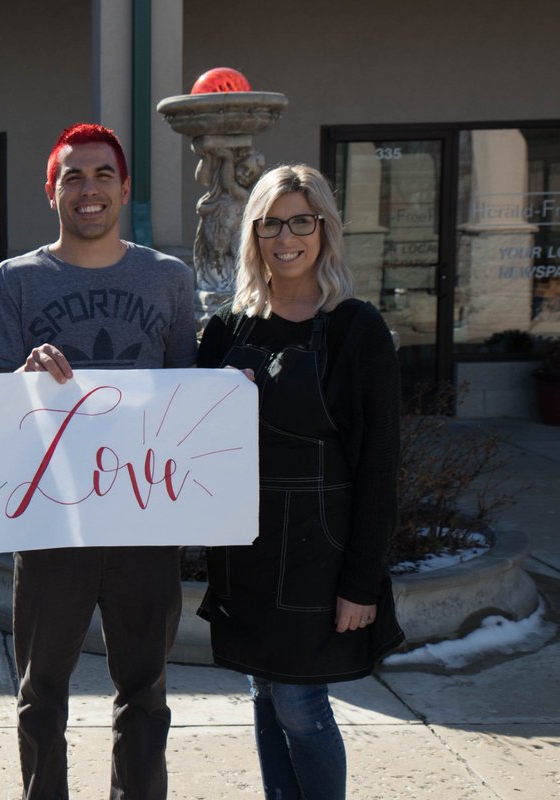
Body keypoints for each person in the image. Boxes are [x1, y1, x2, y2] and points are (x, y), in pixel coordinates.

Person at [0, 123, 197, 799]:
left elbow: (191, 397)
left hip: (144, 521)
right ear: (51, 191)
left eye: (102, 175)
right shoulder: (14, 281)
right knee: (41, 695)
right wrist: (21, 377)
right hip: (50, 524)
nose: (89, 189)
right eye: (73, 176)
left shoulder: (169, 279)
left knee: (146, 694)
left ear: (125, 188)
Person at [196, 164, 405, 800]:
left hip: (321, 551)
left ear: (324, 228)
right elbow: (189, 436)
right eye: (270, 224)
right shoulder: (227, 329)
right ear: (253, 235)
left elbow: (379, 467)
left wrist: (361, 581)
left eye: (300, 222)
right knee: (264, 691)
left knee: (298, 704)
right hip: (247, 547)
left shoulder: (355, 328)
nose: (285, 238)